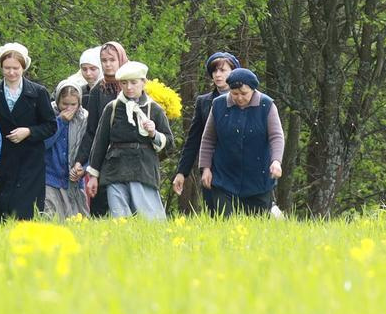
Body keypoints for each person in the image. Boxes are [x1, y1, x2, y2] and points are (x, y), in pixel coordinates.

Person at [82, 60, 170, 220]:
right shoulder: (112, 108)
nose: (129, 87)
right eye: (124, 83)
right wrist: (93, 175)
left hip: (143, 170)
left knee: (149, 220)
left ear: (143, 82)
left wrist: (154, 134)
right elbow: (100, 143)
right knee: (120, 219)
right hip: (115, 169)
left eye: (133, 82)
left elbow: (169, 143)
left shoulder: (155, 110)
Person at [195, 67, 284, 216]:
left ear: (253, 90)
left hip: (258, 179)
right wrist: (206, 168)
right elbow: (208, 139)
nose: (240, 98)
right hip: (224, 177)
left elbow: (276, 136)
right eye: (235, 93)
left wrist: (276, 161)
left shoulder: (266, 105)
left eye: (244, 93)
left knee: (257, 227)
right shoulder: (218, 105)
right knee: (225, 224)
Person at [0, 43, 56, 221]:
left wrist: (29, 132)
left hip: (30, 161)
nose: (11, 72)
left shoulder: (38, 93)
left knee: (25, 211)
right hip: (2, 159)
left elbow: (51, 125)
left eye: (15, 68)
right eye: (7, 68)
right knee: (2, 208)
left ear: (24, 67)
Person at [174, 51, 240, 210]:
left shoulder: (244, 99)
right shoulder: (204, 102)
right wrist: (182, 172)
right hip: (211, 167)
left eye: (223, 70)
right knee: (216, 212)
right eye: (214, 71)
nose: (217, 75)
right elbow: (193, 140)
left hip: (239, 165)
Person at [73, 46, 115, 216]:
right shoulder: (86, 91)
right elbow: (92, 131)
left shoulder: (130, 87)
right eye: (85, 69)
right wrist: (81, 160)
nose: (88, 73)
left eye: (93, 68)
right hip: (98, 152)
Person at [42, 75, 88, 219]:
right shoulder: (48, 113)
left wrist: (83, 168)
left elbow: (89, 147)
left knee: (76, 219)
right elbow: (44, 143)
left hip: (73, 178)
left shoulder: (84, 118)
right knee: (51, 216)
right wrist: (60, 122)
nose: (69, 108)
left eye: (73, 104)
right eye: (64, 104)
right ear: (57, 101)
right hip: (49, 175)